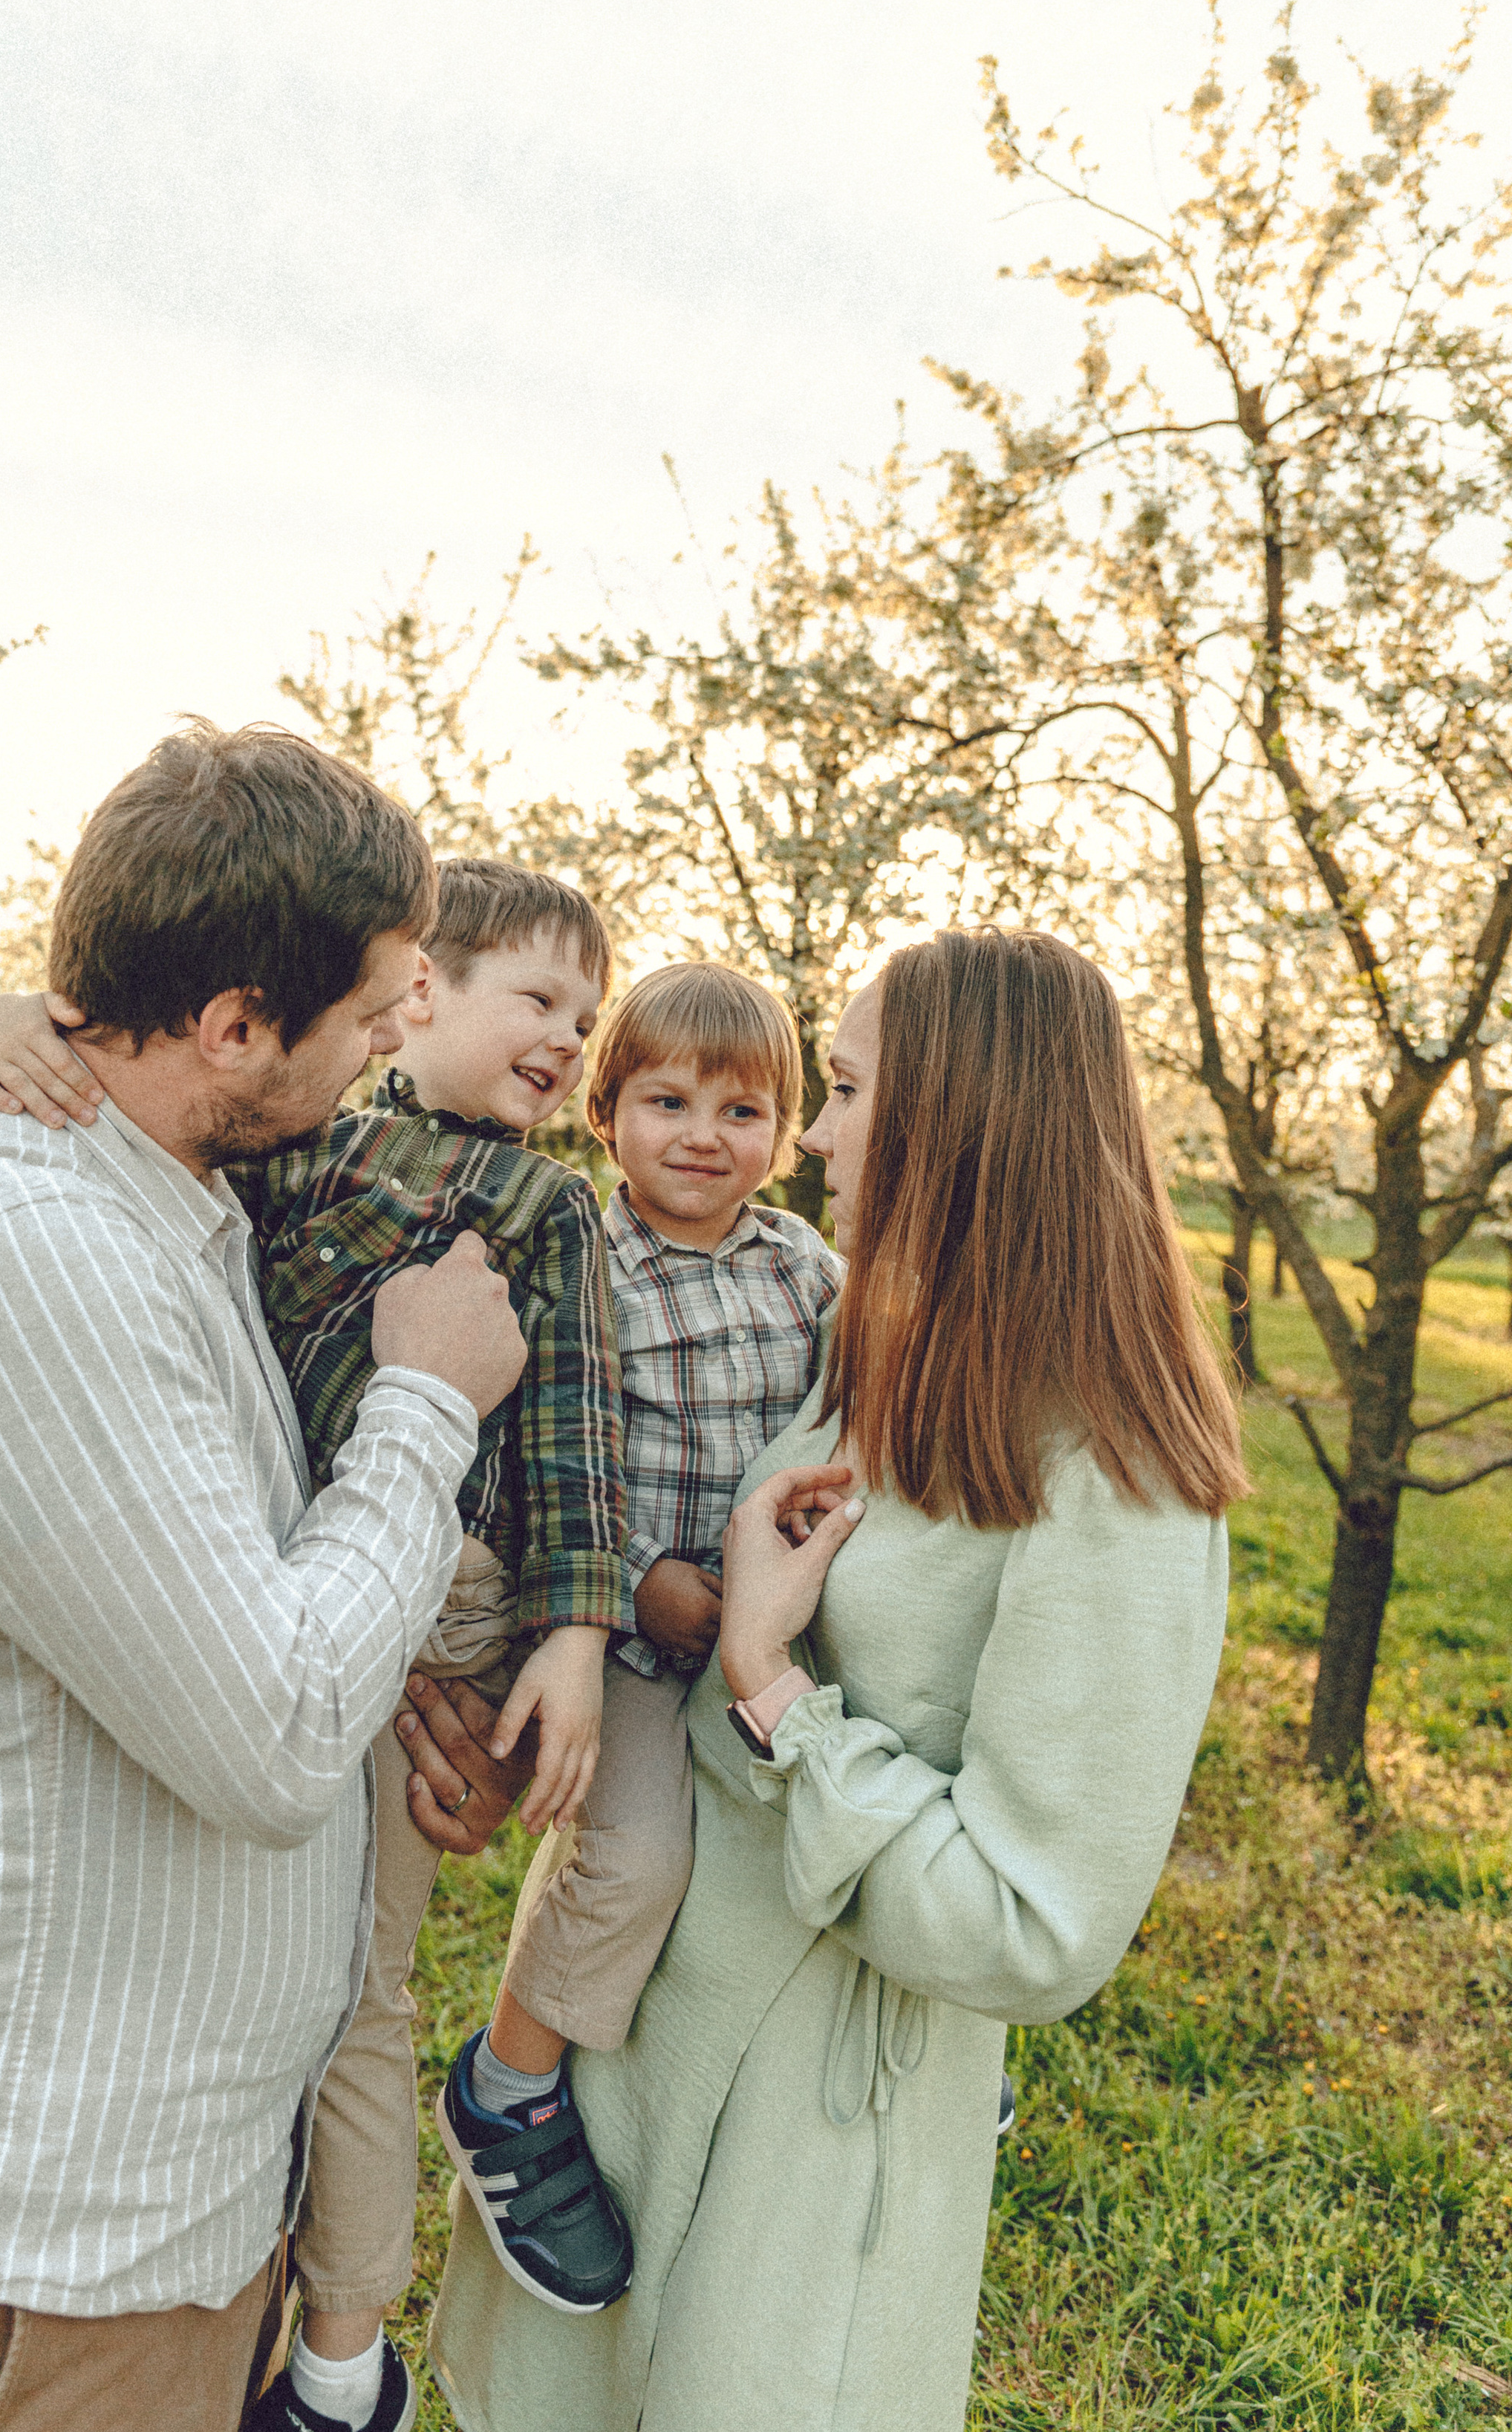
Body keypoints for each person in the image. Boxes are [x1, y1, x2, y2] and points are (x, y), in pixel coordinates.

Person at [0, 724, 529, 2432]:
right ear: (232, 1026)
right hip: (11, 2272)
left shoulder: (162, 1196)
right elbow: (268, 1729)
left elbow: (215, 1605)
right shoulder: (29, 1256)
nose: (397, 1033)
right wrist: (422, 1404)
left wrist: (405, 1702)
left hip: (135, 2225)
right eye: (369, 1005)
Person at [414, 927, 1245, 2432]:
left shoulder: (1115, 1477)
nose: (812, 1136)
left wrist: (770, 1688)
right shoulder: (871, 1338)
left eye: (847, 1090)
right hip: (629, 2064)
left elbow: (1031, 1924)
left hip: (800, 2158)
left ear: (962, 1120)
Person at [0, 859, 632, 2432]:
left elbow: (576, 1434)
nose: (567, 1040)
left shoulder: (545, 1208)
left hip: (428, 1601)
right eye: (538, 999)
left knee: (354, 1994)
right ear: (419, 996)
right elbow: (130, 1117)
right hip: (252, 1578)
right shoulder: (294, 1136)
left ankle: (340, 2360)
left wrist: (573, 1639)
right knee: (244, 1965)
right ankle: (234, 2300)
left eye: (587, 1020)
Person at [434, 963, 843, 2312]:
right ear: (604, 1113)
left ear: (783, 1134)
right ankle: (509, 2086)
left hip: (768, 1629)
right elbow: (522, 1458)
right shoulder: (574, 1261)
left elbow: (860, 1405)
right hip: (616, 1637)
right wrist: (637, 1576)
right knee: (635, 1855)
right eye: (668, 1101)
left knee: (839, 1817)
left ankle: (916, 2037)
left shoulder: (804, 1268)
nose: (703, 1136)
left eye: (742, 1110)